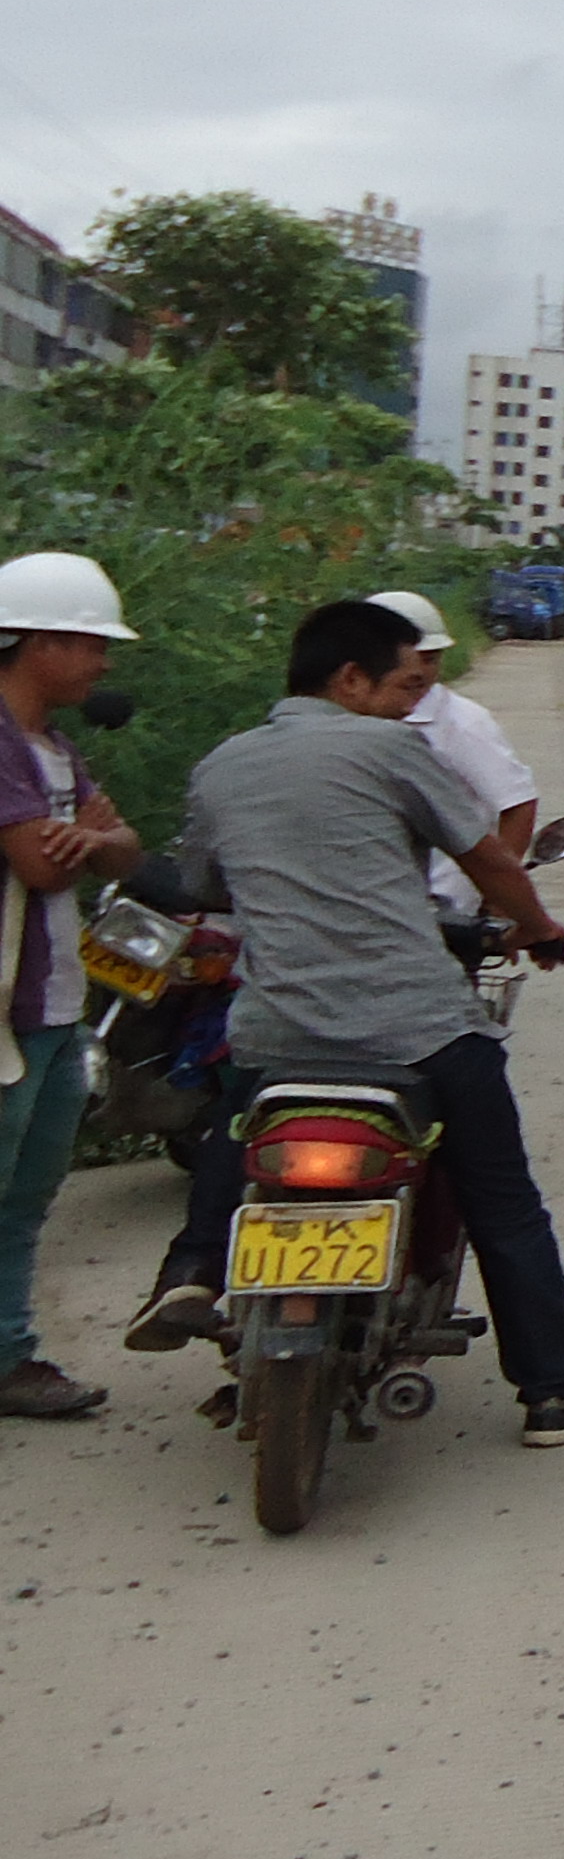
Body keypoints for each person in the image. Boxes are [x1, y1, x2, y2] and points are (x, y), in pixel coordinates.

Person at [122, 598, 564, 1448]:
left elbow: (206, 883)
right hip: (418, 1028)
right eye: (402, 686)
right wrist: (539, 928)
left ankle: (193, 1269)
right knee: (503, 1202)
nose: (408, 705)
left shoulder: (222, 765)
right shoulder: (394, 749)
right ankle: (557, 1391)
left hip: (280, 1032)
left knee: (235, 1126)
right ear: (350, 679)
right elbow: (487, 855)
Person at [0, 556, 141, 1420]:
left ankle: (10, 1355)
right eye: (91, 643)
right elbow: (40, 865)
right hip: (8, 1014)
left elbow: (125, 847)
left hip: (51, 1005)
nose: (102, 663)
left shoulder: (53, 748)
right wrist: (86, 841)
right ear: (39, 641)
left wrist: (89, 840)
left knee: (24, 1197)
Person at [365, 590, 539, 917]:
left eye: (431, 660)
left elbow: (517, 804)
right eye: (408, 660)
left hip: (445, 908)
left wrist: (498, 899)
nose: (420, 672)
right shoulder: (347, 722)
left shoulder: (462, 723)